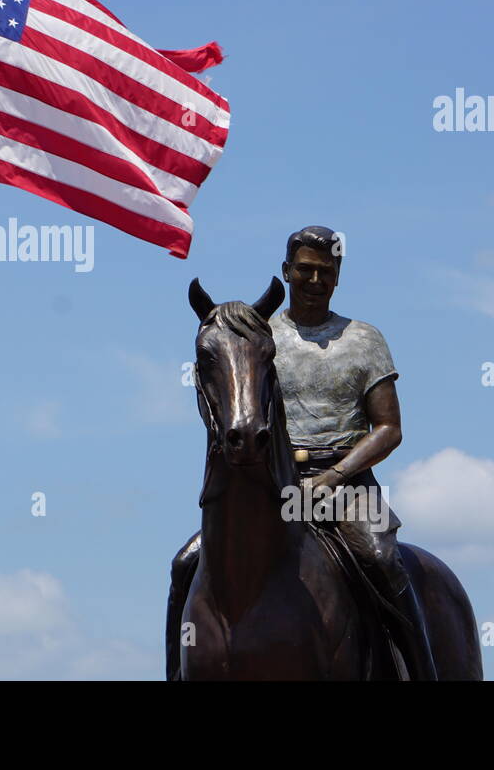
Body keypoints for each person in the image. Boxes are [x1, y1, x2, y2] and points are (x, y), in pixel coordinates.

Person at [167, 225, 436, 680]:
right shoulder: (258, 336)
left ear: (338, 276)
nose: (315, 280)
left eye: (326, 272)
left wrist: (336, 476)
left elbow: (389, 429)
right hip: (276, 483)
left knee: (381, 559)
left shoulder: (364, 339)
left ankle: (421, 671)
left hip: (346, 484)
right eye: (306, 270)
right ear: (287, 271)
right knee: (185, 564)